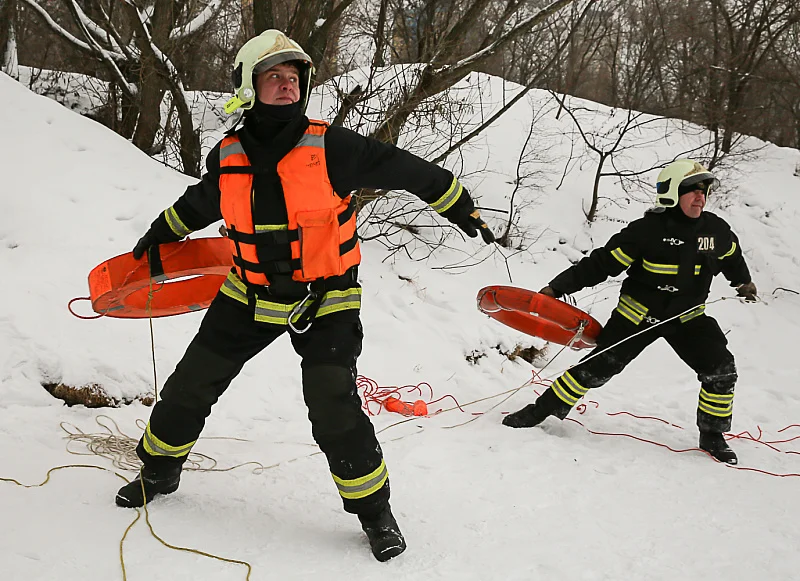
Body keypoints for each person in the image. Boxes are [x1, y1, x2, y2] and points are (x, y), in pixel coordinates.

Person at [114, 29, 495, 562]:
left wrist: (457, 203)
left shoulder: (333, 146)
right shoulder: (228, 153)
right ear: (248, 87)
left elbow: (405, 168)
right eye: (273, 76)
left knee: (331, 402)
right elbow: (204, 201)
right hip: (247, 294)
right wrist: (162, 230)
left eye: (294, 77)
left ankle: (375, 513)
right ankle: (158, 471)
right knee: (189, 385)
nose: (286, 84)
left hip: (326, 299)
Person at [502, 159, 756, 465]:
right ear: (672, 193)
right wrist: (556, 289)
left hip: (687, 319)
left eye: (704, 190)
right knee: (595, 370)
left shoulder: (716, 230)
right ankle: (540, 410)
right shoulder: (645, 231)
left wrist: (743, 281)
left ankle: (713, 435)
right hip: (637, 317)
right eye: (691, 190)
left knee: (722, 370)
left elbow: (732, 256)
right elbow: (600, 264)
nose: (700, 196)